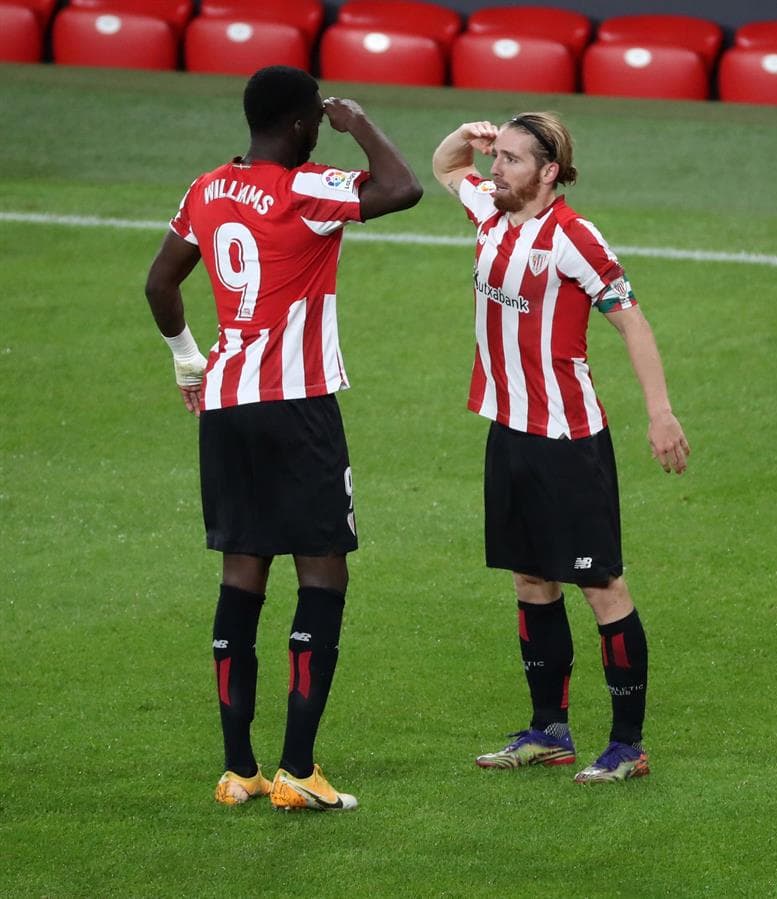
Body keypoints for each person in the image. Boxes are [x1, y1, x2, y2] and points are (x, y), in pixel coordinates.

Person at [145, 66, 422, 811]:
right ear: (303, 124)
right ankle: (298, 769)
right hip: (297, 408)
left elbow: (159, 282)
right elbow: (401, 188)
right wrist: (358, 122)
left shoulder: (205, 188)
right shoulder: (308, 186)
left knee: (242, 575)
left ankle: (238, 769)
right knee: (322, 576)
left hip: (228, 403)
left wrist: (186, 360)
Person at [432, 113, 689, 784]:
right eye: (499, 158)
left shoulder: (574, 237)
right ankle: (548, 729)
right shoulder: (490, 213)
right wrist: (469, 135)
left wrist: (659, 413)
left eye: (513, 160)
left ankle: (627, 745)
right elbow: (443, 167)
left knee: (599, 585)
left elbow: (630, 319)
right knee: (529, 577)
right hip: (507, 430)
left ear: (549, 172)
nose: (497, 169)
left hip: (567, 440)